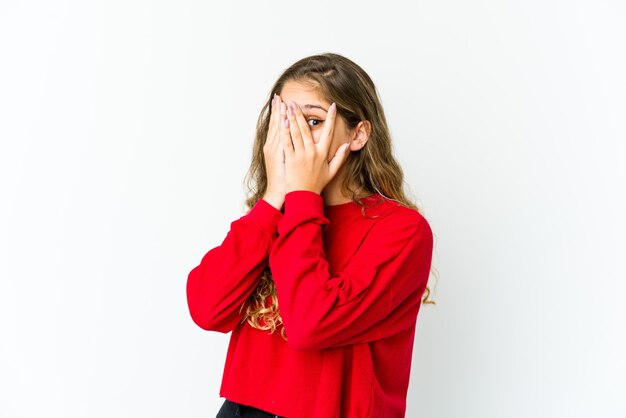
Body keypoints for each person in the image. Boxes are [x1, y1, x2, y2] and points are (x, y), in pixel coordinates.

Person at [186, 52, 435, 418]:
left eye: (314, 121)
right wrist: (273, 198)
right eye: (284, 121)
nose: (294, 135)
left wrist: (302, 197)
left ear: (359, 134)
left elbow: (310, 326)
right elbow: (207, 310)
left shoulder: (402, 230)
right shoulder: (274, 214)